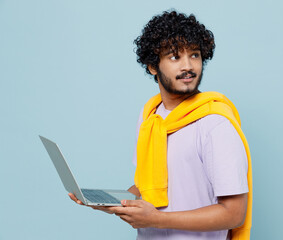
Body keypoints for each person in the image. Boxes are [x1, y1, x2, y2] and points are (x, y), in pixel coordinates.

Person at [69, 10, 253, 240]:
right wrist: (109, 201)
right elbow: (149, 186)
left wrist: (156, 219)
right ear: (152, 66)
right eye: (175, 57)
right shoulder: (151, 117)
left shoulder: (215, 124)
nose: (188, 66)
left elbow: (234, 213)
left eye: (195, 55)